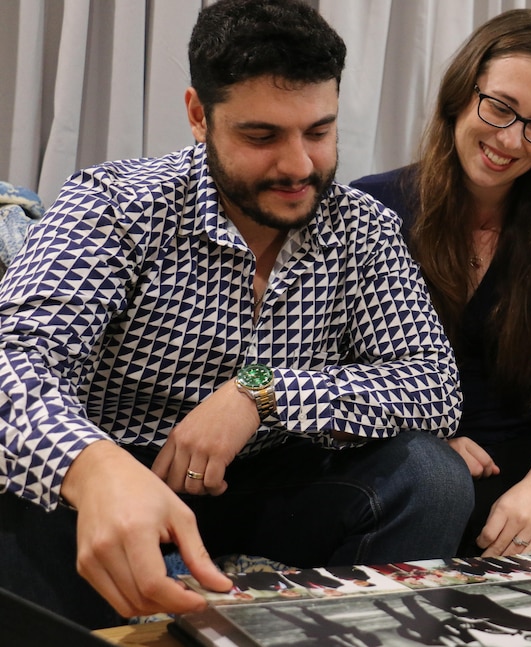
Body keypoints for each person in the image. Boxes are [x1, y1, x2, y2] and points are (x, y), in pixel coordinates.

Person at [0, 0, 473, 629]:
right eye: (262, 136)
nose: (299, 166)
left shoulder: (363, 228)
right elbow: (18, 357)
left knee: (430, 477)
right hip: (116, 477)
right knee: (24, 491)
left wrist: (260, 393)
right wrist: (93, 467)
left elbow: (431, 385)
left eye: (319, 131)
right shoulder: (115, 205)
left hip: (271, 477)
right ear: (199, 115)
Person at [352, 8, 531, 558]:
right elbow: (328, 374)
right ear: (463, 93)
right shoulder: (371, 207)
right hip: (409, 452)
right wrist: (425, 443)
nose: (511, 139)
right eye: (500, 107)